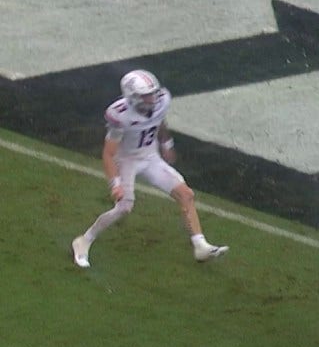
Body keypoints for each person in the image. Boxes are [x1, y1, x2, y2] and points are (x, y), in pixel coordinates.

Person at [71, 70, 228, 268]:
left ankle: (200, 245)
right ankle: (84, 240)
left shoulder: (161, 101)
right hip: (126, 160)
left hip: (150, 156)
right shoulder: (120, 115)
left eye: (152, 93)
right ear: (132, 97)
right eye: (146, 95)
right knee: (124, 208)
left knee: (185, 194)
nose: (152, 98)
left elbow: (159, 120)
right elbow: (108, 153)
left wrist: (167, 143)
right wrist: (115, 184)